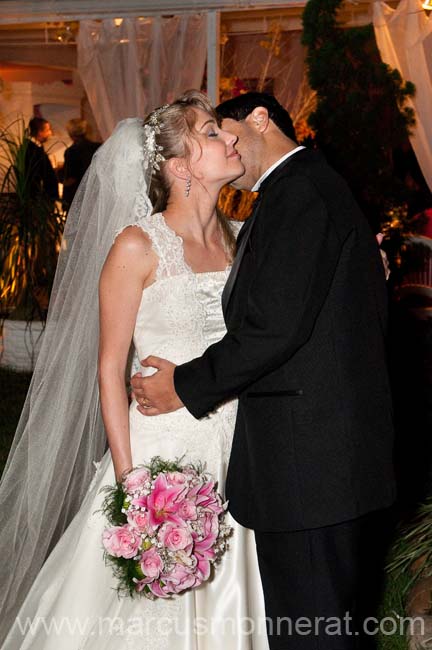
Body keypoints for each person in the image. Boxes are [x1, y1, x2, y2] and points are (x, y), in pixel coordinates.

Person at [0, 91, 269, 649]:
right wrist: (132, 487)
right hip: (164, 460)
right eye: (214, 133)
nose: (232, 139)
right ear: (180, 166)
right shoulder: (137, 245)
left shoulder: (244, 241)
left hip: (243, 453)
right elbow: (107, 369)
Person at [131, 92, 396, 650]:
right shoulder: (298, 191)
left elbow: (273, 328)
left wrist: (182, 384)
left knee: (314, 634)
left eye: (226, 131)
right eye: (212, 136)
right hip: (312, 464)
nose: (226, 143)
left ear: (259, 120)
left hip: (312, 468)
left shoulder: (299, 192)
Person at [62, 118, 100, 209]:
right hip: (95, 193)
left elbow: (71, 178)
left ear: (70, 133)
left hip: (78, 195)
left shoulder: (71, 151)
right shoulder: (98, 147)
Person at [24, 117, 59, 201]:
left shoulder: (36, 147)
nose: (50, 133)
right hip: (38, 200)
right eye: (48, 130)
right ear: (40, 132)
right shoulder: (31, 149)